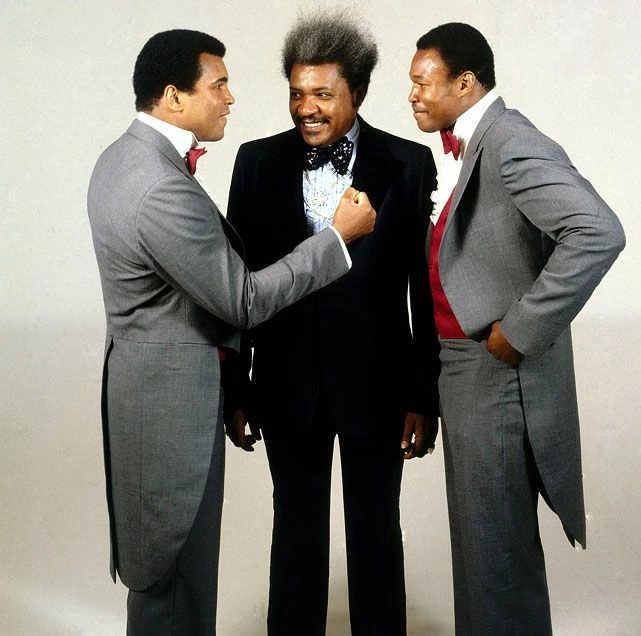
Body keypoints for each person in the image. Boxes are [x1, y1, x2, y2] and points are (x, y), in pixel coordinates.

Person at [87, 28, 375, 635]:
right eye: (218, 85)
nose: (230, 97)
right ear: (174, 96)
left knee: (173, 585)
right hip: (171, 415)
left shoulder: (122, 158)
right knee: (173, 587)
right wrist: (336, 240)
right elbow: (241, 300)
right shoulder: (158, 185)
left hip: (153, 398)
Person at [225, 12, 440, 636]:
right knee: (294, 536)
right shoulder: (255, 162)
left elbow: (423, 290)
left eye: (322, 93)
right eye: (297, 93)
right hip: (284, 385)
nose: (306, 108)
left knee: (377, 535)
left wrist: (423, 394)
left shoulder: (409, 162)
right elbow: (237, 286)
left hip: (379, 387)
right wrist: (235, 387)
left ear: (358, 92)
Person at [408, 22, 625, 635]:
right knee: (484, 552)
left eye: (424, 82)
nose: (413, 95)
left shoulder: (509, 141)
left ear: (465, 83)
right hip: (461, 370)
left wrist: (521, 329)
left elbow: (598, 232)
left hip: (494, 371)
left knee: (495, 558)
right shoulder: (472, 144)